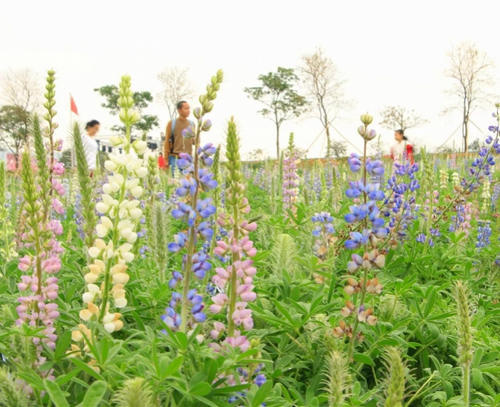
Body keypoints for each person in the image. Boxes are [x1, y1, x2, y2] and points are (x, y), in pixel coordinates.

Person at [163, 101, 194, 176]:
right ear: (179, 110)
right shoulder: (172, 123)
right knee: (176, 183)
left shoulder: (192, 124)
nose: (188, 110)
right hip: (175, 158)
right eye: (186, 108)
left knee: (188, 184)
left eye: (189, 108)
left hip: (188, 159)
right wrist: (166, 160)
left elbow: (194, 141)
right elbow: (167, 141)